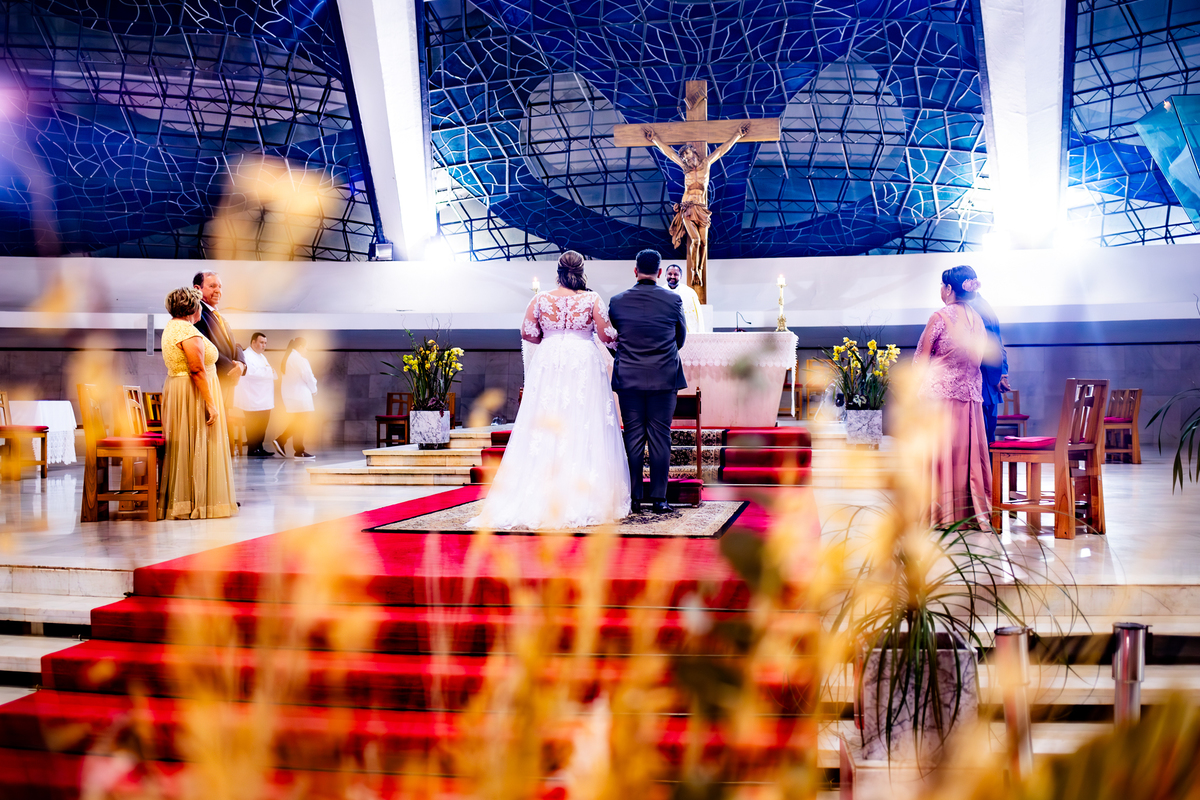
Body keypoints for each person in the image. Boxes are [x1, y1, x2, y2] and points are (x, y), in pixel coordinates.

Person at [469, 250, 629, 530]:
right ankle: (584, 493)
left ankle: (539, 490)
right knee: (583, 419)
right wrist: (623, 339)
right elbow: (606, 335)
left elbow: (527, 332)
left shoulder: (540, 298)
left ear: (558, 272)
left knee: (545, 421)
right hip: (582, 360)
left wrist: (550, 337)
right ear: (581, 272)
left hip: (550, 359)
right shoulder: (592, 299)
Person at [608, 248, 688, 514]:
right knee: (660, 437)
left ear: (635, 270)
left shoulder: (617, 301)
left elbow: (613, 341)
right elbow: (681, 339)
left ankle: (633, 498)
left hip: (629, 378)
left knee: (632, 437)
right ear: (661, 272)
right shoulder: (673, 300)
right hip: (664, 378)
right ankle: (659, 499)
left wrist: (629, 357)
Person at [912, 265, 992, 528]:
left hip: (940, 401)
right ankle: (967, 512)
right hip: (969, 401)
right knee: (964, 457)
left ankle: (940, 512)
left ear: (948, 289)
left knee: (941, 454)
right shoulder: (978, 321)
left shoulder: (940, 317)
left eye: (941, 285)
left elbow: (921, 361)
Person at [158, 287, 237, 520]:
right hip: (192, 394)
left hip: (181, 390)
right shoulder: (186, 331)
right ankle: (199, 502)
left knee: (189, 445)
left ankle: (189, 499)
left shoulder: (174, 327)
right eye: (200, 304)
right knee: (198, 443)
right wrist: (211, 403)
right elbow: (197, 369)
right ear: (193, 307)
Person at [192, 271, 246, 392]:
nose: (218, 291)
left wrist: (242, 364)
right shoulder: (196, 314)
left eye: (220, 286)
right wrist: (232, 372)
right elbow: (205, 348)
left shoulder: (220, 317)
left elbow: (236, 345)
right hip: (212, 384)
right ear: (197, 288)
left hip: (225, 385)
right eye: (212, 286)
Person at [969, 293, 1010, 443]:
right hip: (989, 378)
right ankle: (987, 466)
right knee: (987, 433)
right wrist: (1002, 374)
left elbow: (991, 345)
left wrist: (999, 375)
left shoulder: (975, 308)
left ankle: (985, 466)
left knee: (983, 435)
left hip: (982, 379)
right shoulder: (983, 304)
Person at [273, 337, 318, 460]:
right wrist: (314, 390)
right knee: (300, 423)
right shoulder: (300, 359)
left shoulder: (288, 358)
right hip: (301, 396)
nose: (306, 350)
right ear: (300, 347)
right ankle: (294, 448)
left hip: (291, 396)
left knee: (298, 422)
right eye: (305, 347)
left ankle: (291, 446)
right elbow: (308, 377)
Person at [235, 332, 277, 457]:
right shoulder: (246, 355)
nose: (264, 345)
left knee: (262, 425)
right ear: (253, 342)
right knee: (253, 425)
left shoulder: (261, 356)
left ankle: (259, 447)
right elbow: (250, 372)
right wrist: (268, 371)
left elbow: (269, 371)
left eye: (265, 343)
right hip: (253, 397)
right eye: (261, 342)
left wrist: (268, 371)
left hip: (264, 398)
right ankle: (252, 449)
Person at [664, 264, 707, 333]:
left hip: (685, 332)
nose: (672, 276)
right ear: (665, 275)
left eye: (676, 274)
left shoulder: (689, 293)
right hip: (665, 332)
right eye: (670, 274)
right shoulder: (660, 292)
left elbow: (698, 315)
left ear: (681, 276)